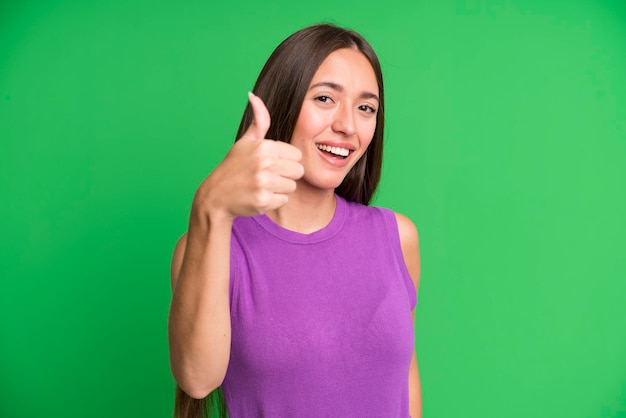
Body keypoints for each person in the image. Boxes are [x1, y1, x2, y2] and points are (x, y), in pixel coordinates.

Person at [168, 23, 421, 418]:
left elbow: (404, 379)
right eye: (324, 98)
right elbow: (197, 379)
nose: (348, 126)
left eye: (366, 107)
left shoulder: (397, 238)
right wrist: (209, 209)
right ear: (282, 102)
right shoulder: (213, 246)